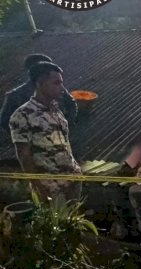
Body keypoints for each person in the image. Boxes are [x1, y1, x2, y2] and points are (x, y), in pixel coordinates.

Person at [9, 61, 82, 202]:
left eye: (61, 83)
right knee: (55, 223)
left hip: (72, 179)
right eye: (56, 83)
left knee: (73, 222)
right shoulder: (23, 115)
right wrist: (36, 185)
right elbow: (24, 155)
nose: (62, 88)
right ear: (40, 84)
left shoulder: (56, 110)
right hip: (50, 186)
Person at [1, 53, 77, 137]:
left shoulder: (57, 89)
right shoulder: (14, 96)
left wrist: (67, 123)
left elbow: (71, 103)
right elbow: (5, 120)